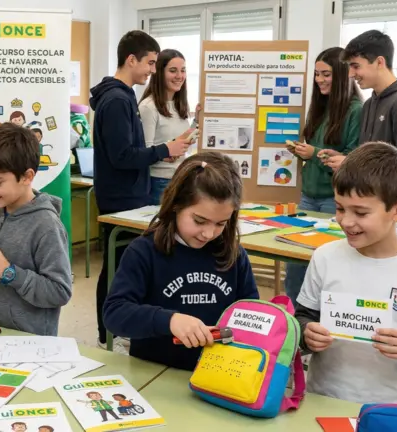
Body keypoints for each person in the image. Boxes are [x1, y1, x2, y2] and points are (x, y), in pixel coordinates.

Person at [296, 142, 397, 404]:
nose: (346, 221)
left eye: (360, 212)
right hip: (321, 399)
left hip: (389, 409)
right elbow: (301, 320)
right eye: (339, 208)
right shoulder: (325, 258)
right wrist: (306, 334)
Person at [103, 152, 259, 370]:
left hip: (217, 375)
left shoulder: (233, 254)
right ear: (175, 204)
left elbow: (250, 311)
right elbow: (115, 313)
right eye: (199, 220)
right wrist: (170, 321)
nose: (208, 233)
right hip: (154, 373)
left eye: (221, 223)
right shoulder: (144, 251)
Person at [90, 30, 193, 350]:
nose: (153, 69)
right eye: (150, 63)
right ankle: (109, 332)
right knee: (117, 269)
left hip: (125, 195)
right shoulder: (119, 100)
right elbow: (123, 156)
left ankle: (112, 331)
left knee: (120, 267)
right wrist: (166, 149)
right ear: (130, 60)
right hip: (121, 198)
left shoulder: (121, 97)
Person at [0, 123, 71, 336]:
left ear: (27, 177)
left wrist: (9, 272)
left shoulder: (46, 225)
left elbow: (60, 291)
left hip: (29, 340)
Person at [283, 47, 363, 307]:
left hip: (334, 200)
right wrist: (301, 152)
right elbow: (318, 151)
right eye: (317, 74)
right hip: (308, 197)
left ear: (341, 75)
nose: (319, 80)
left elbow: (353, 159)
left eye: (326, 74)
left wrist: (314, 152)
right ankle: (296, 325)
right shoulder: (319, 106)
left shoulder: (355, 110)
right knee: (295, 266)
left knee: (331, 267)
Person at [333, 30, 397, 223]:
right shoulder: (370, 104)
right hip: (371, 212)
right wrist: (349, 161)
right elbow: (371, 155)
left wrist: (353, 165)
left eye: (355, 66)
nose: (351, 74)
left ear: (379, 62)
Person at [139, 49, 198, 204]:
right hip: (158, 182)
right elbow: (144, 152)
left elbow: (182, 141)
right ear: (159, 73)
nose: (179, 76)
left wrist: (197, 121)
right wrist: (169, 150)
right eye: (173, 71)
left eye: (183, 70)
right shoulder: (148, 107)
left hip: (180, 179)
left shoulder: (179, 105)